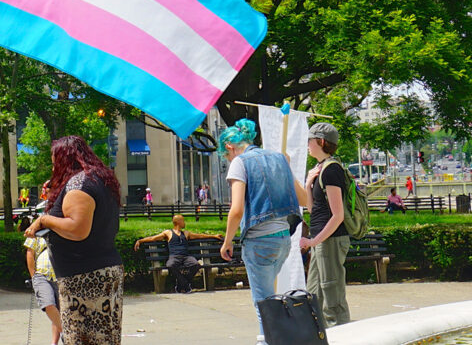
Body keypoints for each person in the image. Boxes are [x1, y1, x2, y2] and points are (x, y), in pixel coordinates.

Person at [24, 135, 123, 344]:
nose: (53, 168)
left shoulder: (79, 184)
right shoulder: (97, 180)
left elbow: (78, 229)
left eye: (54, 163)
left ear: (64, 160)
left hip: (85, 280)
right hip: (100, 273)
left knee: (82, 339)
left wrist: (45, 220)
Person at [218, 119, 307, 345]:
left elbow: (236, 210)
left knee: (264, 304)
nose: (228, 161)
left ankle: (267, 342)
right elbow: (305, 199)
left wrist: (227, 241)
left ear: (230, 146)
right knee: (270, 299)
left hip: (259, 241)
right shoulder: (278, 159)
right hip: (283, 239)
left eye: (226, 156)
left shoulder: (239, 163)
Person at [299, 122, 351, 327]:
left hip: (332, 239)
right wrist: (308, 184)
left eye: (309, 141)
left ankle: (342, 334)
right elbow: (315, 211)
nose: (307, 146)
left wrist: (314, 241)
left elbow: (338, 215)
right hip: (321, 240)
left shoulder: (332, 170)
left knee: (332, 297)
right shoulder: (320, 171)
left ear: (320, 141)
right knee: (314, 294)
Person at [133, 215, 222, 293]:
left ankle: (181, 284)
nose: (185, 223)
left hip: (186, 257)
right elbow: (153, 238)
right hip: (174, 257)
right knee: (170, 265)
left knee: (195, 264)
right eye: (183, 220)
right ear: (178, 222)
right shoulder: (168, 233)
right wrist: (140, 241)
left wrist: (214, 236)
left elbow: (200, 236)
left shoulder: (186, 233)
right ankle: (185, 284)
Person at [24, 234, 61, 345]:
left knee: (59, 312)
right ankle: (67, 334)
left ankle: (54, 343)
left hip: (61, 276)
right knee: (48, 304)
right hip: (42, 274)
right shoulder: (38, 228)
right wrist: (33, 276)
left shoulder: (64, 226)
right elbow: (30, 252)